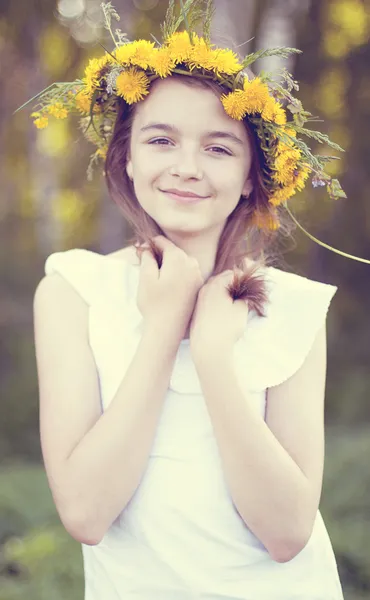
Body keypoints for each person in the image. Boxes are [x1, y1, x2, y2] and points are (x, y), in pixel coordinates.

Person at [29, 1, 348, 598]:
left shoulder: (294, 307)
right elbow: (86, 515)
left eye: (219, 148)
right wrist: (161, 329)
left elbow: (287, 533)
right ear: (127, 155)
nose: (186, 167)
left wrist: (212, 358)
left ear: (255, 173)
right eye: (161, 139)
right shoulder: (75, 292)